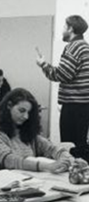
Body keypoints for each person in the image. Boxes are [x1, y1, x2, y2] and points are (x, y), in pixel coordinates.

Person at [0, 88, 83, 172]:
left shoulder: (26, 132)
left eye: (29, 113)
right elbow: (10, 161)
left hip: (30, 182)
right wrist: (47, 166)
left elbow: (52, 148)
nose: (26, 116)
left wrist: (70, 161)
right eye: (21, 111)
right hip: (7, 186)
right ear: (9, 106)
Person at [36, 15, 89, 160]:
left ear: (71, 29)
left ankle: (71, 176)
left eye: (64, 27)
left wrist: (43, 65)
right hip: (83, 105)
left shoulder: (73, 47)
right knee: (80, 144)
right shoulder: (85, 46)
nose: (62, 30)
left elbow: (62, 75)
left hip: (73, 105)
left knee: (70, 145)